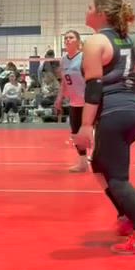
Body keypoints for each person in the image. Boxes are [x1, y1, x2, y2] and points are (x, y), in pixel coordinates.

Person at [73, 0, 135, 255]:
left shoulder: (96, 41)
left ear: (101, 13)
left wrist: (85, 126)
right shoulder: (126, 40)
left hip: (114, 113)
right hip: (130, 113)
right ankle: (125, 217)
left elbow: (94, 88)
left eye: (90, 7)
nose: (86, 10)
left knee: (118, 178)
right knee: (99, 165)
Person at [59, 30, 88, 173]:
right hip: (74, 102)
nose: (67, 40)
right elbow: (64, 82)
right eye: (65, 38)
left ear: (78, 41)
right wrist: (59, 98)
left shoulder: (84, 57)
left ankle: (99, 158)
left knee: (91, 132)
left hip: (88, 102)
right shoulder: (63, 60)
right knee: (75, 134)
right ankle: (83, 162)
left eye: (71, 37)